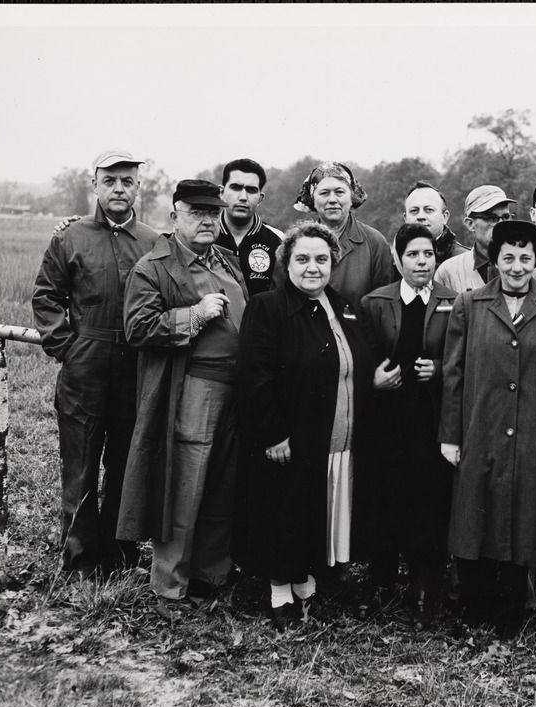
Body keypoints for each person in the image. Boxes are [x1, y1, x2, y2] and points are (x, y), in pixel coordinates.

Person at [233, 220, 375, 631]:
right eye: (302, 259)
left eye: (321, 259)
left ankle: (305, 577)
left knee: (313, 510)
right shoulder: (269, 307)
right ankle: (281, 592)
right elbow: (254, 377)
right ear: (286, 263)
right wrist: (274, 433)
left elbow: (353, 362)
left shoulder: (343, 305)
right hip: (291, 439)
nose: (312, 267)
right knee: (284, 510)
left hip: (335, 440)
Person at [440, 220, 536, 638]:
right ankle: (472, 608)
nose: (517, 267)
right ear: (495, 260)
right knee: (474, 518)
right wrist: (450, 434)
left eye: (525, 258)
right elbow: (453, 373)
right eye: (508, 258)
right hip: (480, 430)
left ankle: (509, 615)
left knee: (525, 522)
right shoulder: (470, 304)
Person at [117, 180, 249, 601]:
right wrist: (193, 314)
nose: (208, 220)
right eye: (196, 213)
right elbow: (137, 328)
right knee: (185, 484)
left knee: (222, 482)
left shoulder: (227, 261)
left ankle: (211, 576)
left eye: (213, 212)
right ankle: (170, 584)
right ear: (175, 216)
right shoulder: (153, 266)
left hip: (236, 387)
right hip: (195, 387)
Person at [32, 148, 159, 578]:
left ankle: (121, 555)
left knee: (127, 460)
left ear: (139, 187)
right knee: (82, 462)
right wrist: (67, 347)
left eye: (127, 181)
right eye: (110, 181)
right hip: (86, 363)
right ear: (96, 187)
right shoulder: (70, 237)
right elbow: (46, 296)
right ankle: (82, 560)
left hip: (137, 367)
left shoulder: (154, 241)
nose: (119, 189)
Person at [360, 223, 458, 625]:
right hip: (388, 419)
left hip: (430, 418)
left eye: (428, 254)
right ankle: (381, 579)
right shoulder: (374, 302)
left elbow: (461, 357)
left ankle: (424, 585)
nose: (422, 262)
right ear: (398, 259)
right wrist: (375, 378)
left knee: (429, 501)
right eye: (413, 254)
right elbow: (362, 354)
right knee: (387, 498)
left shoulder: (455, 301)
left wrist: (438, 368)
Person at [274, 161, 392, 314]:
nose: (332, 200)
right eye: (324, 193)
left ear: (352, 197)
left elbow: (384, 306)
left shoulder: (375, 242)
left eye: (339, 192)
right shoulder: (295, 245)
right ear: (312, 200)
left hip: (358, 335)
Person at [215, 157, 285, 297]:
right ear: (221, 192)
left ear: (260, 198)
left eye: (251, 190)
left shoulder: (279, 240)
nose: (243, 197)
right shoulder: (204, 236)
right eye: (236, 188)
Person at [433, 185, 517, 293]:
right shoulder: (449, 271)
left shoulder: (525, 267)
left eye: (505, 217)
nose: (501, 225)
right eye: (492, 218)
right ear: (470, 224)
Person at [399, 180, 468, 267]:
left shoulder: (464, 260)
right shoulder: (397, 261)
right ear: (405, 218)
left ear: (445, 217)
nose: (421, 216)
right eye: (414, 211)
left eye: (429, 210)